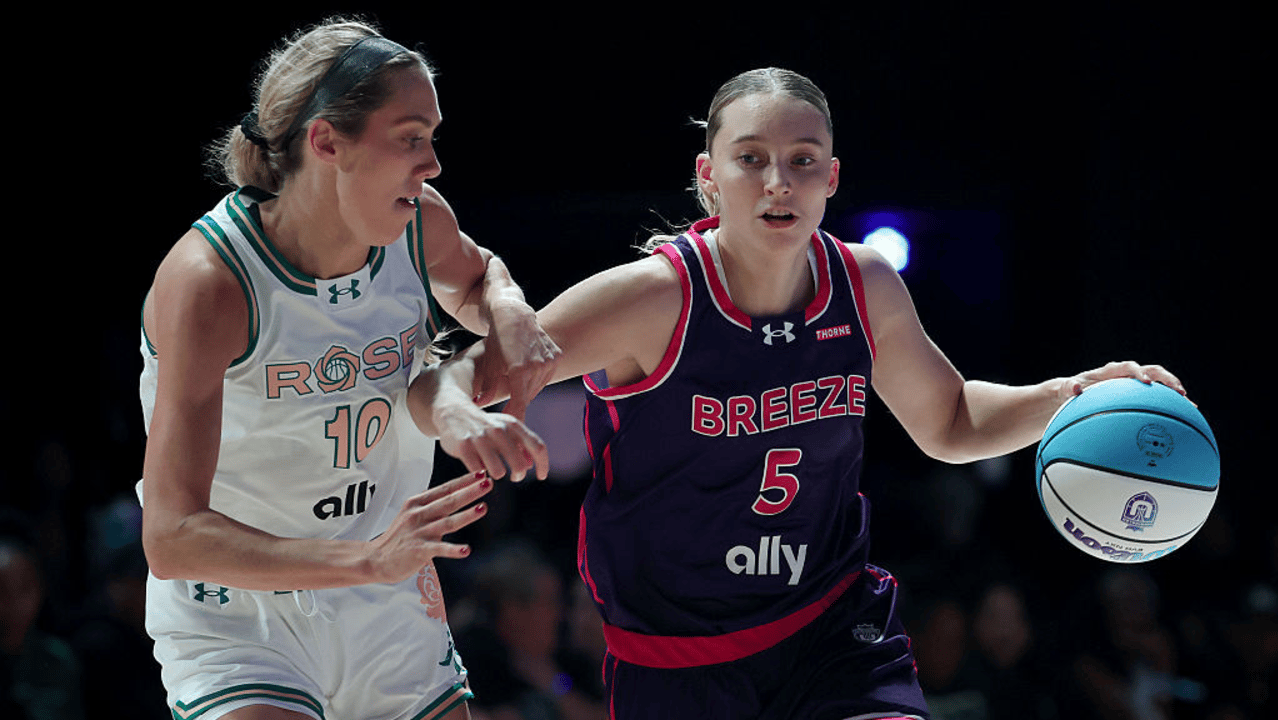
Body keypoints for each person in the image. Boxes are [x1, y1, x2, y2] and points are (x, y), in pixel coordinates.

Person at [411, 67, 1187, 719]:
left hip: (829, 626)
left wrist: (1073, 392)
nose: (778, 181)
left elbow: (949, 420)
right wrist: (455, 409)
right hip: (678, 656)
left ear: (832, 176)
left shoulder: (865, 284)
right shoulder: (653, 298)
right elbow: (470, 371)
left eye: (802, 159)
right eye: (751, 158)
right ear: (708, 176)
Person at [139, 18, 558, 720]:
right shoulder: (212, 281)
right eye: (411, 137)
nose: (432, 164)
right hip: (242, 608)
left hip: (385, 592)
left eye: (432, 136)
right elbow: (171, 537)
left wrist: (508, 303)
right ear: (327, 141)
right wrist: (367, 560)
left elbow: (481, 276)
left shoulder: (419, 225)